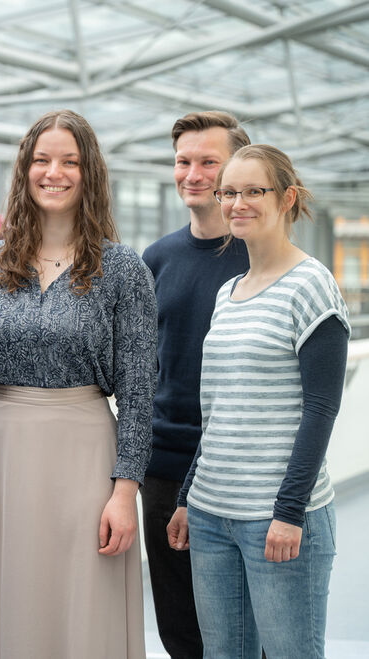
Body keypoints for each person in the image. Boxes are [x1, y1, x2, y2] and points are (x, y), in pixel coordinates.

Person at [0, 109, 155, 658]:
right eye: (41, 159)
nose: (53, 172)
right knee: (0, 598)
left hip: (84, 457)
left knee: (83, 600)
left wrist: (125, 491)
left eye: (70, 161)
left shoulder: (123, 270)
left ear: (90, 174)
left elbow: (137, 390)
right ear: (23, 171)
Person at [167, 144, 349, 659]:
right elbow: (218, 410)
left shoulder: (312, 286)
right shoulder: (229, 294)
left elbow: (320, 409)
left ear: (287, 198)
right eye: (229, 192)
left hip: (278, 517)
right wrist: (187, 496)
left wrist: (289, 512)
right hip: (210, 513)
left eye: (254, 191)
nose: (237, 203)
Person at [140, 110, 251, 658]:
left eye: (210, 161)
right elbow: (142, 366)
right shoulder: (156, 259)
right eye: (184, 161)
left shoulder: (261, 259)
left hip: (239, 469)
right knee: (179, 626)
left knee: (240, 628)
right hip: (163, 467)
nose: (193, 173)